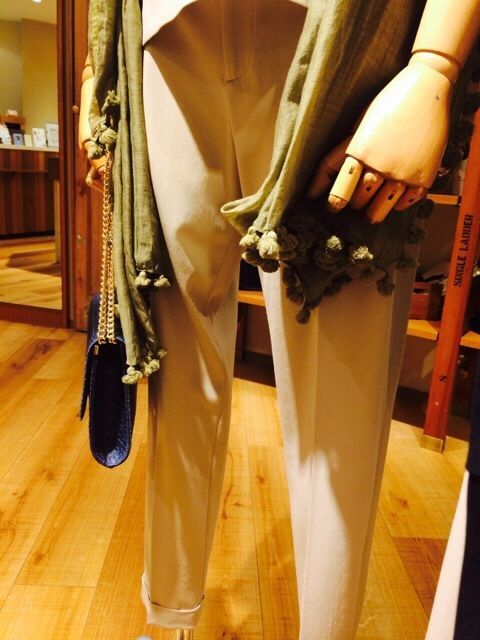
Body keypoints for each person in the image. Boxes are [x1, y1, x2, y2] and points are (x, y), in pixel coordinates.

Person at [79, 1, 480, 638]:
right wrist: (95, 74)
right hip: (164, 40)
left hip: (337, 35)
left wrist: (436, 63)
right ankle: (168, 619)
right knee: (178, 378)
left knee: (339, 416)